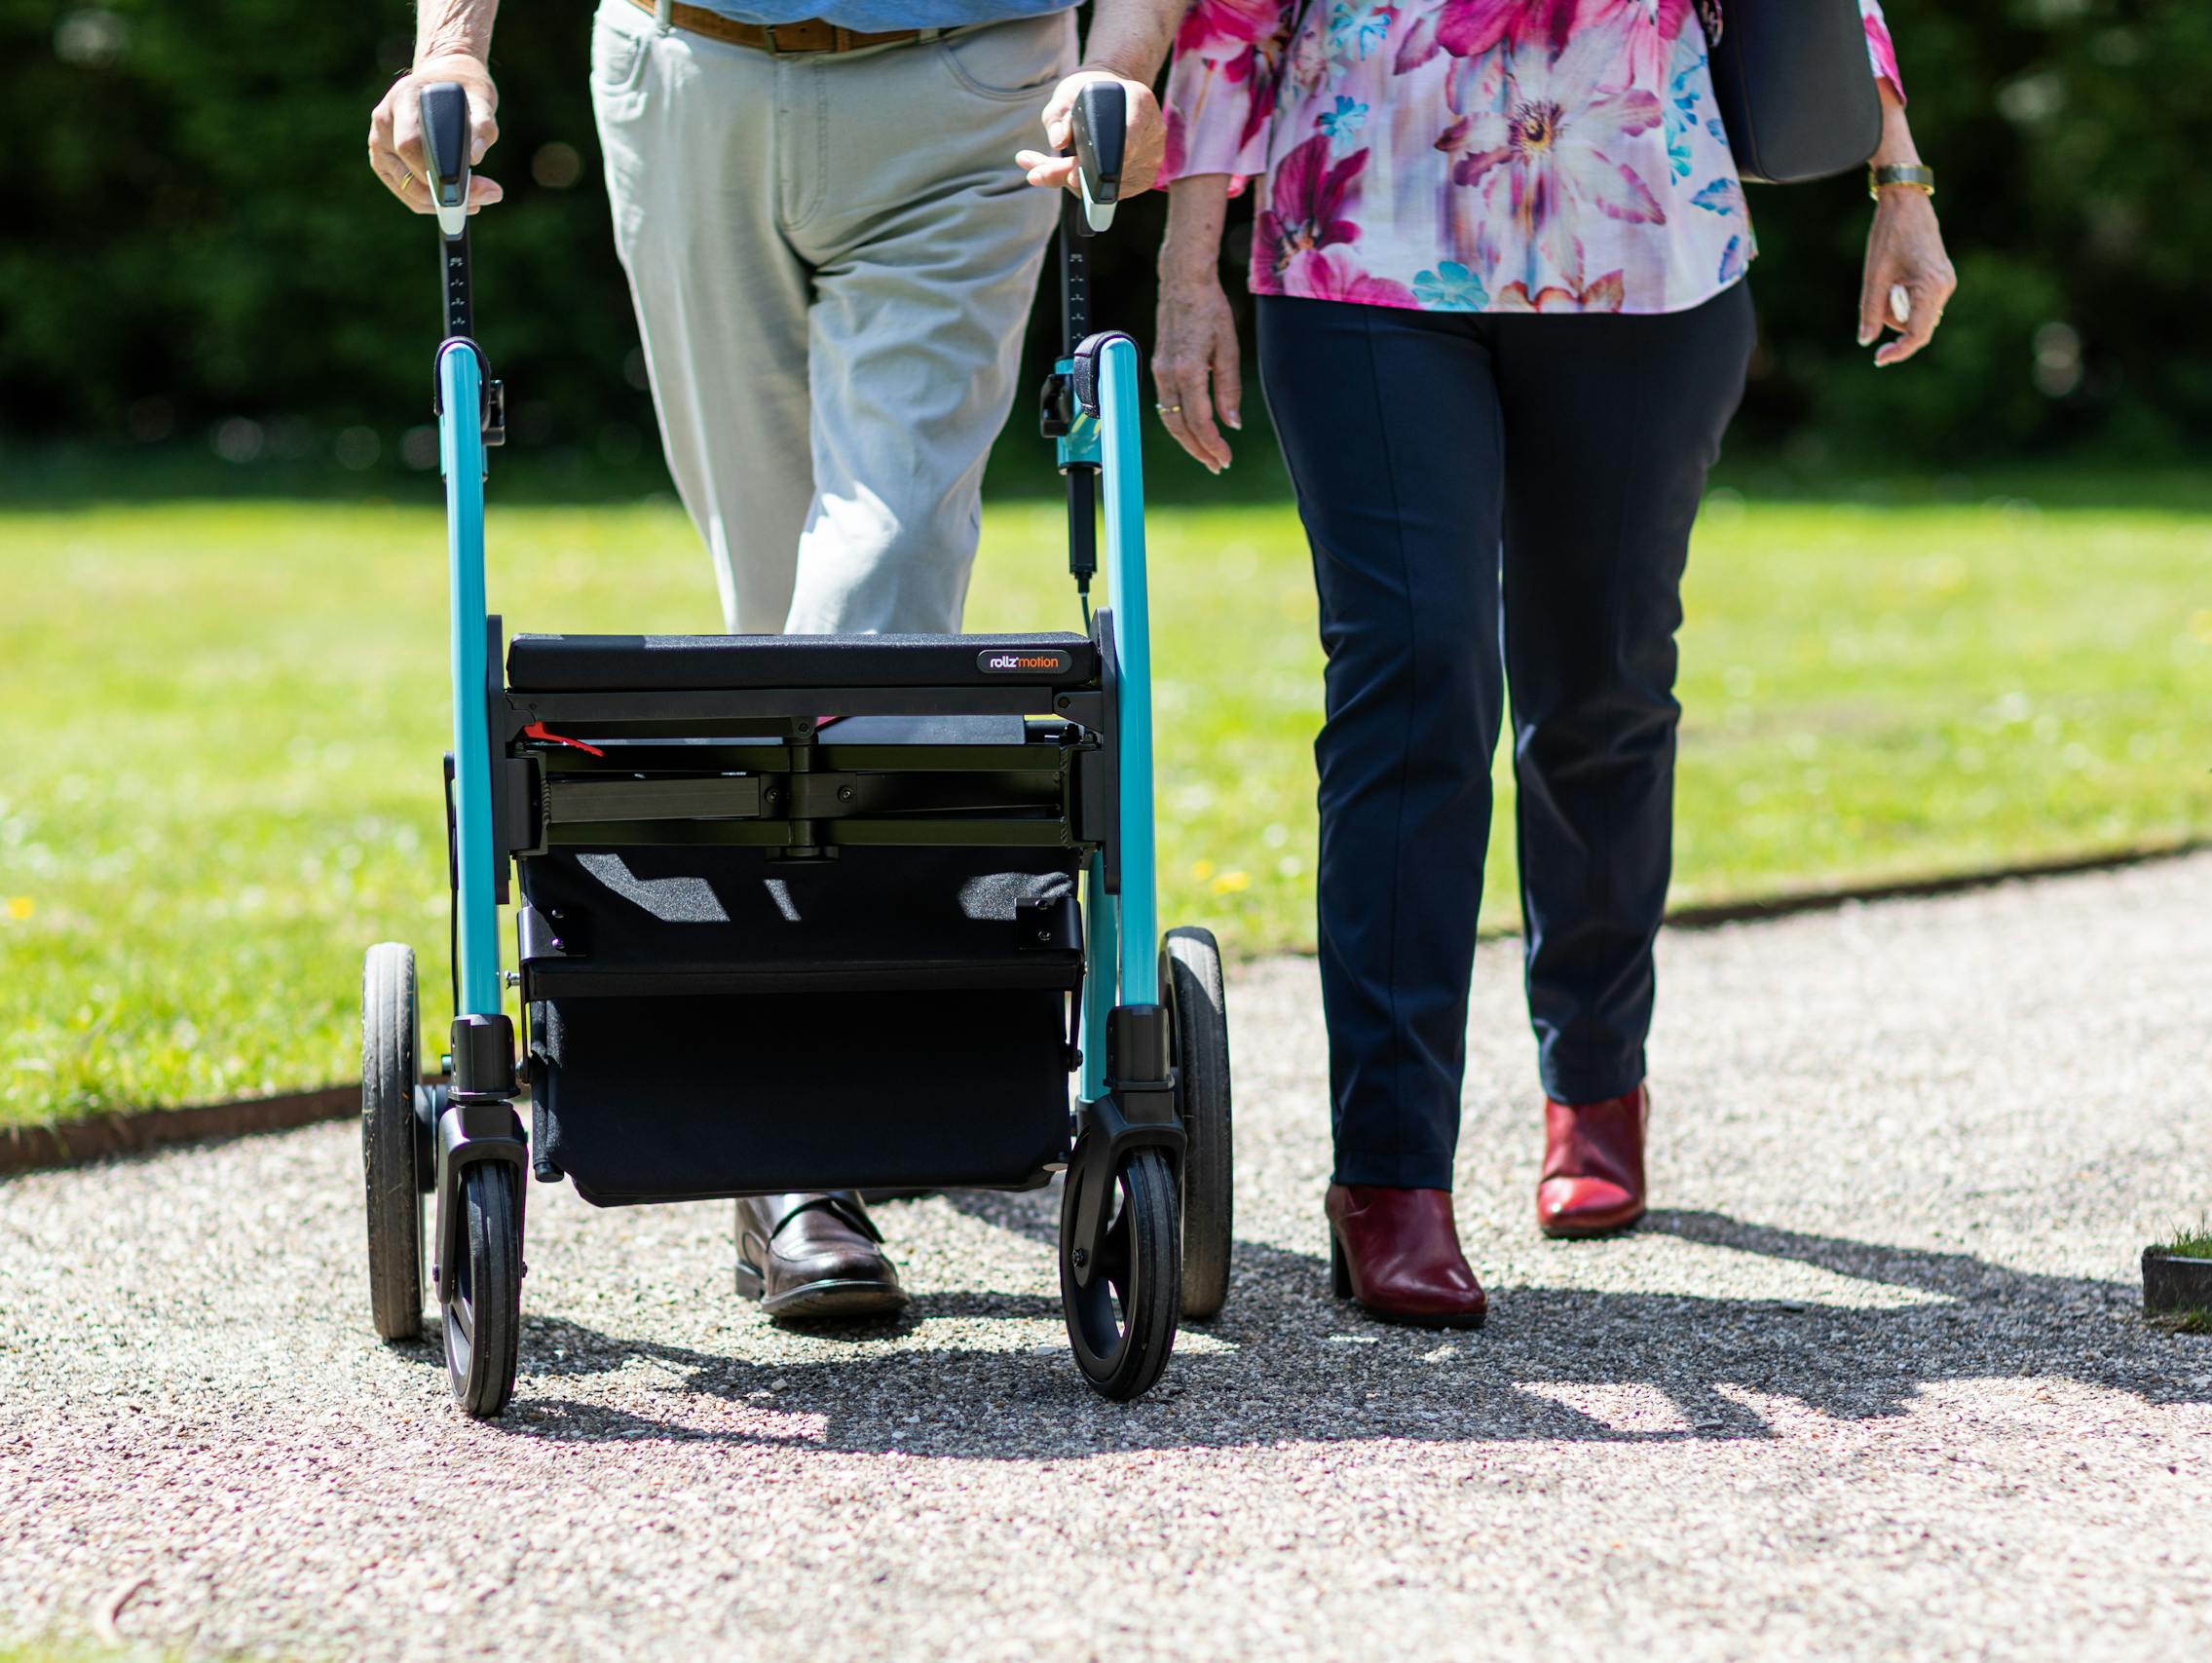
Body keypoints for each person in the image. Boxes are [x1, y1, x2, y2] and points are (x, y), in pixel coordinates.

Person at [365, 0, 1181, 1322]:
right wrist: (450, 45)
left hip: (972, 91)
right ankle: (827, 1055)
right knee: (769, 605)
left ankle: (797, 1158)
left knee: (880, 576)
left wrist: (1123, 63)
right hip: (685, 75)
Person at [1144, 0, 1956, 1326]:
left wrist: (1900, 179)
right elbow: (1228, 12)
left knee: (1603, 682)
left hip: (1643, 245)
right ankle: (1391, 1181)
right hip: (1362, 244)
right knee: (1415, 674)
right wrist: (1190, 269)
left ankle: (1594, 1077)